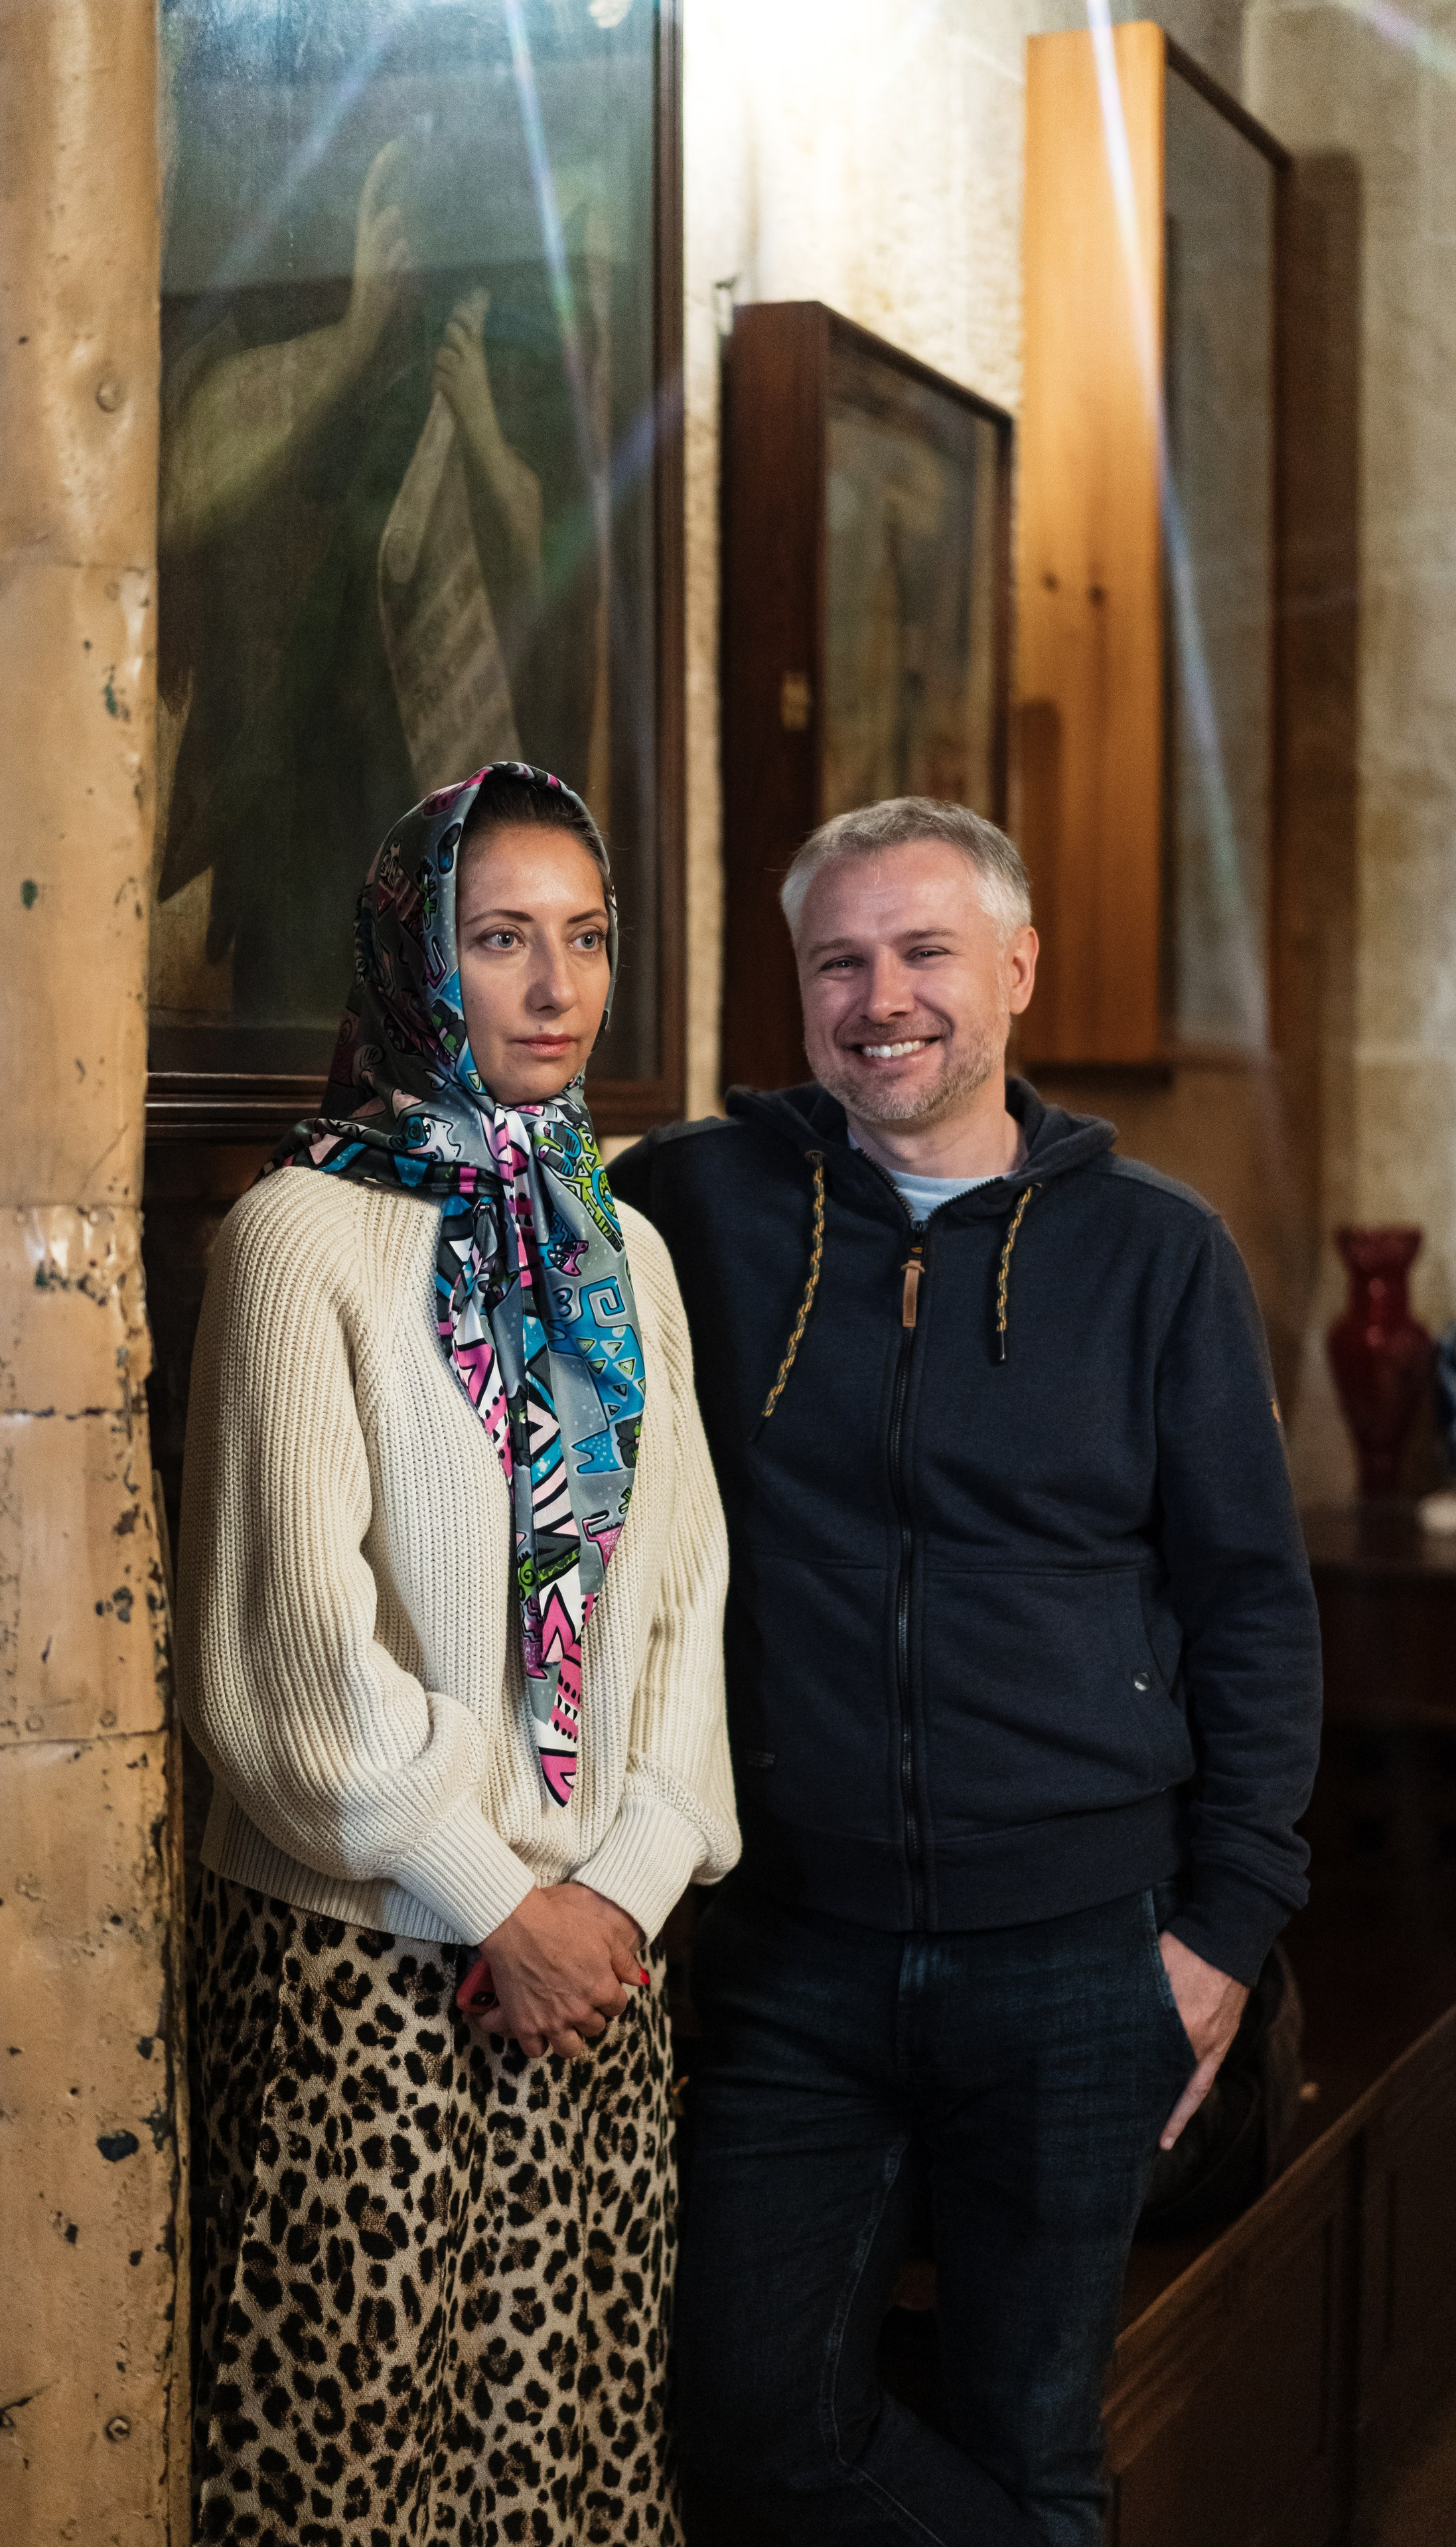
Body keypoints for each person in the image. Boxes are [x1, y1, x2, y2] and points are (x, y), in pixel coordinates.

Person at [609, 796, 1322, 2547]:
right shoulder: (698, 1201)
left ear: (1014, 967)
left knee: (1030, 2437)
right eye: (837, 960)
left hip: (1086, 1956)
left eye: (925, 951)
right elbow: (488, 1209)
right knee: (753, 2421)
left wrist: (1223, 1934)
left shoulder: (1158, 1257)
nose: (881, 996)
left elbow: (1252, 1607)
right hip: (795, 1955)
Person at [178, 763, 737, 2545]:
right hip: (378, 1986)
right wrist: (499, 1902)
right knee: (348, 2493)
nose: (559, 990)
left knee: (572, 2484)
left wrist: (622, 1894)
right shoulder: (301, 1238)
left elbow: (687, 1603)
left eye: (584, 940)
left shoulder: (623, 1246)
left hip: (599, 1995)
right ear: (417, 960)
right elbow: (290, 1650)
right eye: (501, 942)